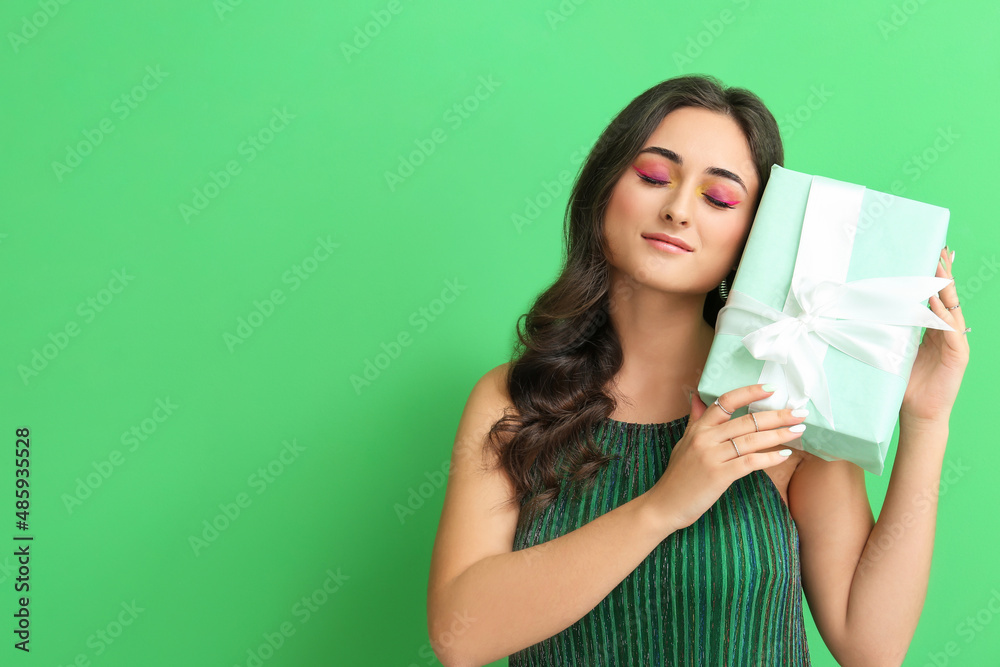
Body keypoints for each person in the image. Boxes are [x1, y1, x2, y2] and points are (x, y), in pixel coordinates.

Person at [426, 74, 969, 666]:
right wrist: (664, 504)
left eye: (719, 199)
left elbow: (873, 647)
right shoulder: (514, 400)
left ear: (753, 237)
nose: (678, 209)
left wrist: (927, 419)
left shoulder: (786, 391)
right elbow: (461, 637)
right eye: (655, 177)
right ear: (603, 189)